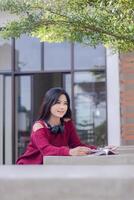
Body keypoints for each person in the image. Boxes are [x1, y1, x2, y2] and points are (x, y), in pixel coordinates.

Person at [16, 87, 97, 165]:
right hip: (29, 167)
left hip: (50, 167)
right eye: (58, 103)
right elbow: (46, 150)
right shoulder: (39, 126)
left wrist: (101, 150)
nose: (62, 107)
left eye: (65, 103)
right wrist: (69, 151)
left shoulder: (67, 123)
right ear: (49, 104)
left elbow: (76, 145)